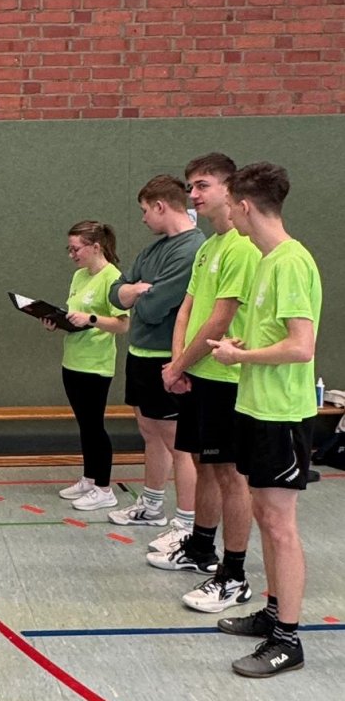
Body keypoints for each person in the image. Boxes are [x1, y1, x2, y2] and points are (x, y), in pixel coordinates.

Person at [210, 162, 322, 678]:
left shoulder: (292, 262)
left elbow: (301, 347)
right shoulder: (265, 260)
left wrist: (241, 357)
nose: (226, 214)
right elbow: (274, 337)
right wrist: (243, 346)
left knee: (280, 525)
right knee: (263, 514)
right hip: (255, 407)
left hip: (282, 413)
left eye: (229, 204)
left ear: (244, 206)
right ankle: (273, 613)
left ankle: (288, 640)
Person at [150, 155, 261, 614]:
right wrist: (178, 365)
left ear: (230, 189)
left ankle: (234, 575)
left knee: (231, 474)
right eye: (190, 186)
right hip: (197, 373)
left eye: (202, 185)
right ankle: (200, 548)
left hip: (226, 379)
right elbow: (188, 308)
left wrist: (179, 365)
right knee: (205, 465)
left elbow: (221, 318)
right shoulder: (209, 246)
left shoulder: (242, 247)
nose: (193, 194)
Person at [107, 175, 205, 528]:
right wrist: (135, 290)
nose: (143, 218)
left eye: (145, 210)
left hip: (167, 358)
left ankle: (187, 522)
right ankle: (151, 507)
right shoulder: (153, 250)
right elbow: (116, 291)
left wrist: (138, 295)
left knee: (178, 443)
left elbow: (151, 309)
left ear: (161, 206)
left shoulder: (191, 250)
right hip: (140, 354)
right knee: (150, 433)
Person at [49, 222, 129, 511]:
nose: (72, 255)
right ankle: (89, 477)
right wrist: (57, 321)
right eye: (69, 249)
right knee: (84, 424)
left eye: (76, 249)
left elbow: (122, 324)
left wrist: (91, 319)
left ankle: (104, 488)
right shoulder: (79, 276)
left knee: (94, 425)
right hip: (72, 359)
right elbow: (74, 315)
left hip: (96, 364)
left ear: (96, 247)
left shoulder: (113, 278)